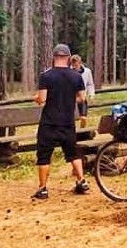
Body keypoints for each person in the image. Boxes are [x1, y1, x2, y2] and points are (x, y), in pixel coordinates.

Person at [32, 44, 88, 200]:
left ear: (54, 57)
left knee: (44, 155)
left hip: (49, 122)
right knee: (73, 152)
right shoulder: (76, 76)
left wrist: (35, 98)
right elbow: (82, 98)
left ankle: (43, 189)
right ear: (68, 58)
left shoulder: (46, 76)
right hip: (68, 122)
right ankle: (81, 181)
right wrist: (69, 99)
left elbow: (42, 99)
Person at [70, 54, 95, 127]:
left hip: (82, 93)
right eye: (73, 65)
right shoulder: (69, 72)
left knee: (83, 103)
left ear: (80, 63)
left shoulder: (87, 72)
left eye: (76, 65)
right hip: (71, 95)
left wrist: (91, 95)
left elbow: (90, 84)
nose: (75, 67)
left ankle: (83, 119)